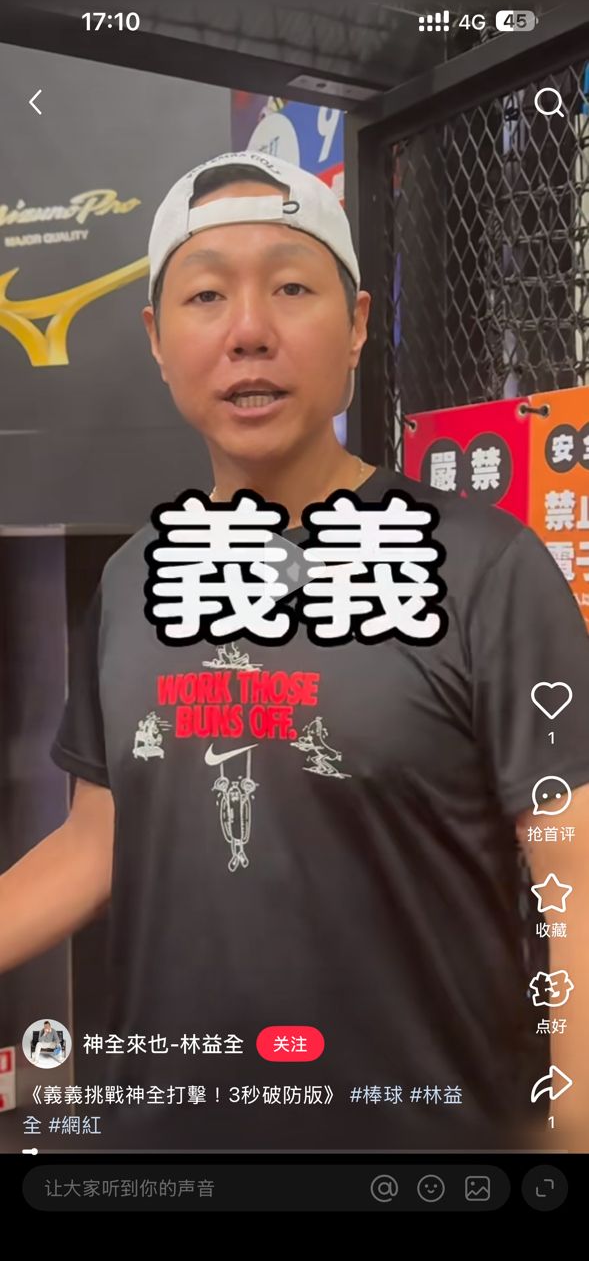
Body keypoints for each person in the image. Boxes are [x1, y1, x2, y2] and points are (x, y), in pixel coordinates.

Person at [0, 151, 588, 1154]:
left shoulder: (483, 567)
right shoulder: (139, 577)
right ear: (156, 339)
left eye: (289, 287)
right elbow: (96, 841)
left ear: (355, 323)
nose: (248, 332)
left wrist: (568, 1130)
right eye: (205, 295)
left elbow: (569, 869)